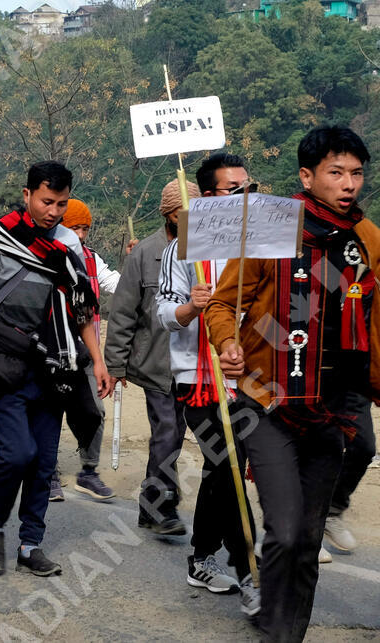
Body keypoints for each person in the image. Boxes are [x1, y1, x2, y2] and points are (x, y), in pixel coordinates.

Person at [210, 127, 378, 641]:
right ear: (306, 176)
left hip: (334, 408)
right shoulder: (273, 227)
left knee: (306, 539)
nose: (348, 184)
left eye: (356, 173)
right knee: (283, 532)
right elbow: (223, 302)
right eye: (336, 172)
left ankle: (285, 631)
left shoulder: (367, 239)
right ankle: (275, 616)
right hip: (268, 401)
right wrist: (228, 343)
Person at [0, 161, 113, 578]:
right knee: (17, 454)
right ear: (27, 195)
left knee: (43, 461)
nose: (53, 212)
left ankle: (30, 544)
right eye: (46, 201)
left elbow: (81, 310)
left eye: (61, 203)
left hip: (54, 368)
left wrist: (97, 360)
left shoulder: (69, 247)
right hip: (4, 363)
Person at [157, 153, 259, 609]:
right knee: (227, 459)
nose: (244, 197)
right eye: (234, 190)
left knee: (223, 466)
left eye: (249, 188)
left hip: (251, 374)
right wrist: (192, 307)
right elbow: (164, 314)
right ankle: (251, 569)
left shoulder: (258, 244)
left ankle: (201, 556)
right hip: (198, 377)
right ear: (209, 196)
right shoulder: (181, 249)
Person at [104, 180, 190, 537]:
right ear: (168, 214)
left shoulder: (204, 253)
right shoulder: (144, 253)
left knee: (175, 433)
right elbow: (123, 312)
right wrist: (115, 364)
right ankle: (160, 506)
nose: (187, 220)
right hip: (155, 363)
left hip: (193, 363)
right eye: (181, 214)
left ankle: (152, 503)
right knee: (167, 430)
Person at [50, 198, 120, 502]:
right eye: (73, 227)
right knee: (51, 410)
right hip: (53, 349)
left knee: (95, 411)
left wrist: (137, 268)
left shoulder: (92, 259)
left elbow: (115, 283)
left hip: (87, 351)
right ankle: (47, 472)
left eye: (84, 228)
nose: (80, 234)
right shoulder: (46, 255)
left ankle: (88, 471)